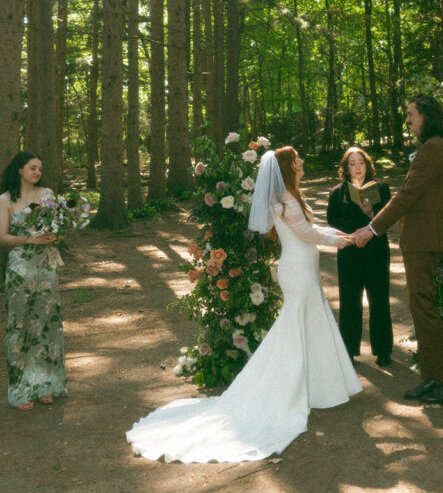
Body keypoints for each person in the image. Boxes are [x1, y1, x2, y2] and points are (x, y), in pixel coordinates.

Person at [127, 146, 361, 462]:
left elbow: (311, 230)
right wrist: (339, 239)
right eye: (297, 160)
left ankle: (318, 387)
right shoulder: (284, 200)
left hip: (304, 267)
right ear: (286, 167)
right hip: (298, 268)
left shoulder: (290, 196)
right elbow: (305, 232)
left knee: (311, 323)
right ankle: (288, 388)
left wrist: (340, 233)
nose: (302, 162)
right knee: (295, 327)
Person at [351, 94, 443, 405]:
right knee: (419, 308)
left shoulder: (433, 148)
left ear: (427, 115)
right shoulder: (433, 147)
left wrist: (373, 228)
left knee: (424, 308)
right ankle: (432, 377)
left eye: (411, 114)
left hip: (424, 239)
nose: (407, 120)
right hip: (421, 237)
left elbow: (408, 194)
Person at [0, 151, 66, 410]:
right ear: (19, 170)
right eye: (32, 168)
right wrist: (30, 239)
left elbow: (57, 227)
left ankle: (47, 384)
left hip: (46, 266)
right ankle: (22, 388)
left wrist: (54, 236)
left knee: (48, 323)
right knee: (21, 326)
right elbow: (2, 237)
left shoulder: (47, 194)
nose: (37, 172)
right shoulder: (5, 200)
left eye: (39, 168)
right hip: (20, 269)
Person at [327, 146, 393, 367]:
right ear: (346, 168)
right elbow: (332, 220)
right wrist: (351, 233)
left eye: (361, 163)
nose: (357, 168)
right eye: (352, 164)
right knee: (349, 300)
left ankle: (383, 351)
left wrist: (371, 214)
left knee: (379, 299)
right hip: (350, 251)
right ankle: (349, 349)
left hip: (376, 251)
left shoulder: (382, 189)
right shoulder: (338, 192)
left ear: (367, 165)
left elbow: (388, 219)